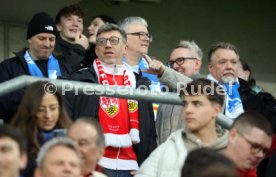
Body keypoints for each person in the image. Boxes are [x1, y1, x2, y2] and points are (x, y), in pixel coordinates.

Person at [64, 23, 156, 177]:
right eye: (102, 41)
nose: (107, 45)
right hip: (95, 163)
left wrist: (147, 166)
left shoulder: (139, 84)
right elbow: (66, 122)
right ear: (96, 49)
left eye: (114, 41)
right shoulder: (81, 80)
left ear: (125, 48)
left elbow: (149, 131)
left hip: (131, 166)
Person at [135, 78, 228, 177]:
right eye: (185, 104)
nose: (188, 110)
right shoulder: (166, 149)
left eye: (196, 104)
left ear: (216, 110)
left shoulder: (234, 152)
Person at [0, 12, 72, 123]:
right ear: (29, 39)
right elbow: (3, 105)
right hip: (22, 134)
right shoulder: (8, 67)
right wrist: (39, 101)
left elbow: (73, 100)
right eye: (42, 38)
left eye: (51, 39)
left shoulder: (64, 66)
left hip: (58, 134)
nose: (47, 44)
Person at [207, 42, 276, 128]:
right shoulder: (197, 91)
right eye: (222, 62)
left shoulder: (257, 96)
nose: (229, 66)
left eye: (233, 62)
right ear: (210, 67)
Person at [11, 81, 72, 177]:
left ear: (60, 109)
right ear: (30, 110)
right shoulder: (15, 142)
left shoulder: (72, 136)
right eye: (40, 110)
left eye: (53, 108)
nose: (48, 115)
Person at [156, 40, 203, 145]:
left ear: (197, 64)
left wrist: (163, 72)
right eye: (171, 63)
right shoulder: (167, 95)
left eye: (180, 60)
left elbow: (193, 88)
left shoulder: (209, 88)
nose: (175, 66)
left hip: (192, 159)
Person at [119, 16, 161, 118]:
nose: (147, 39)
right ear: (124, 38)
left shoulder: (154, 70)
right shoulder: (109, 67)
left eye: (147, 35)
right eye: (141, 35)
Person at [224, 111, 273, 177]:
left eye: (265, 151)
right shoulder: (208, 170)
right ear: (233, 136)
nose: (260, 155)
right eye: (255, 146)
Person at [55, 4, 89, 68]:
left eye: (79, 21)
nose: (76, 24)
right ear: (59, 26)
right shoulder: (50, 48)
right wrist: (79, 49)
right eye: (69, 19)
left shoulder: (88, 53)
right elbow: (57, 74)